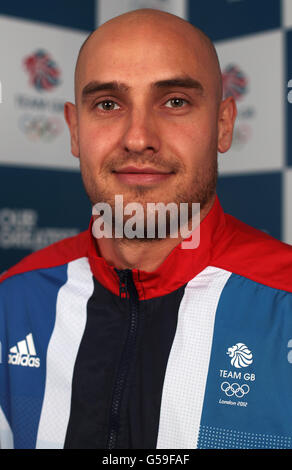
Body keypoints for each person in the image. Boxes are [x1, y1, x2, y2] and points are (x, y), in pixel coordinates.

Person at [1, 8, 292, 450]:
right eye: (107, 104)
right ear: (75, 130)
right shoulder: (11, 303)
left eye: (175, 101)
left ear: (223, 124)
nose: (138, 138)